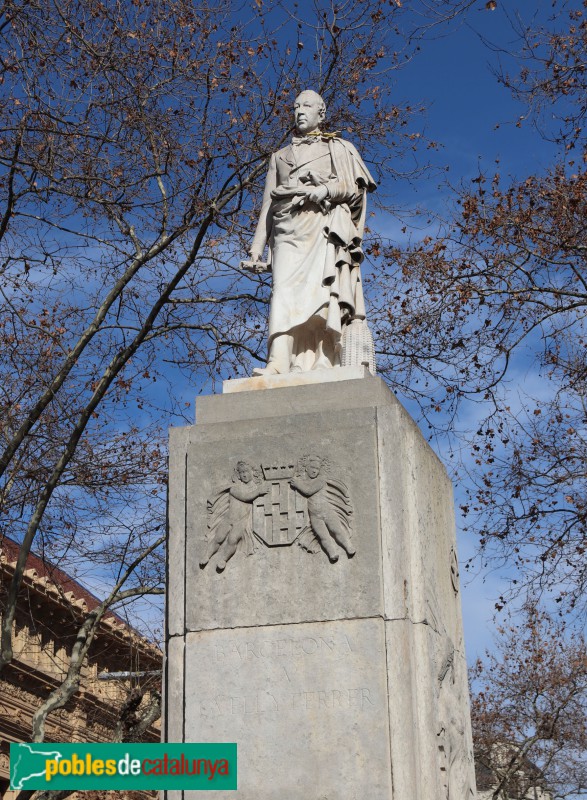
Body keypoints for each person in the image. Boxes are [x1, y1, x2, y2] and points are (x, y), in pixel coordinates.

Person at [248, 90, 376, 376]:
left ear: (322, 112)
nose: (300, 111)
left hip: (322, 225)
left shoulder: (339, 148)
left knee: (322, 293)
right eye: (296, 106)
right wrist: (257, 247)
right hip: (286, 230)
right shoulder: (279, 156)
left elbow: (355, 189)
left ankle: (324, 357)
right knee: (282, 293)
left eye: (307, 105)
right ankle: (278, 361)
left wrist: (325, 189)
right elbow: (267, 203)